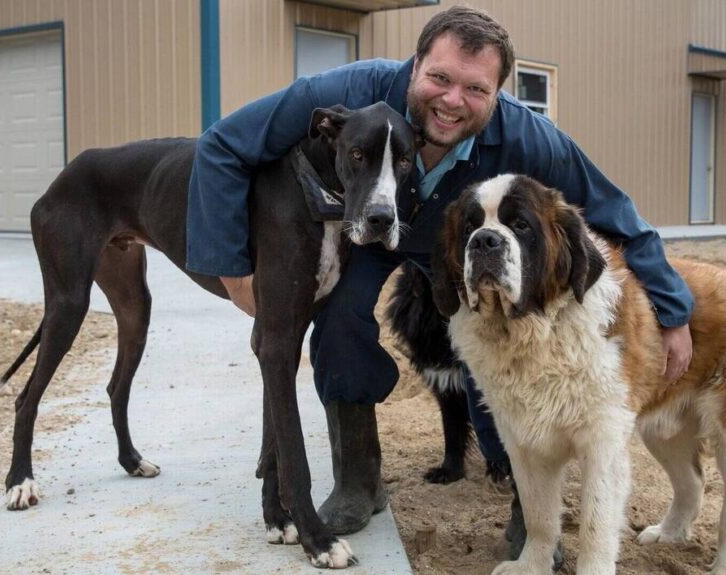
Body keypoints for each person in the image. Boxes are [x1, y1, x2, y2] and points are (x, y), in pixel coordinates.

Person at [186, 5, 694, 535]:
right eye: (440, 78)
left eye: (476, 89)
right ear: (415, 65)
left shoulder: (528, 137)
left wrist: (674, 310)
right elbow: (222, 145)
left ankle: (525, 492)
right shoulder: (347, 91)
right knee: (338, 319)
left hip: (459, 247)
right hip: (371, 234)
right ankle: (359, 476)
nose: (452, 101)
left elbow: (616, 212)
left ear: (498, 94)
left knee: (501, 332)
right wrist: (234, 273)